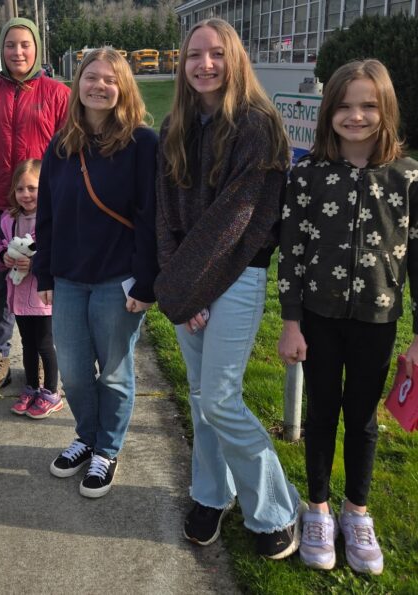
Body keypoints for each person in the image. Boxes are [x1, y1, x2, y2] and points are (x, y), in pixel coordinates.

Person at [154, 18, 303, 558]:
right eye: (195, 54)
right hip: (189, 282)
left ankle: (275, 507)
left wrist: (187, 288)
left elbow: (236, 221)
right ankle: (211, 494)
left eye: (216, 53)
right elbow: (164, 216)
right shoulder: (176, 125)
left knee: (219, 399)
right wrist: (180, 283)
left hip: (237, 275)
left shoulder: (258, 126)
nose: (205, 64)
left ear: (234, 58)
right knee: (200, 398)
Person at [278, 59, 417, 575]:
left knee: (361, 420)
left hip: (377, 321)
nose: (355, 116)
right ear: (328, 111)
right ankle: (317, 507)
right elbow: (290, 253)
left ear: (385, 111)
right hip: (317, 318)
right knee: (321, 413)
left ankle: (356, 512)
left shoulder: (407, 176)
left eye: (368, 106)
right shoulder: (307, 174)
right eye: (344, 105)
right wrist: (290, 322)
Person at [34, 48, 158, 498]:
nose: (100, 85)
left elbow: (150, 217)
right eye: (91, 77)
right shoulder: (62, 144)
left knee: (114, 373)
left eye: (110, 78)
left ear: (123, 87)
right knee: (75, 371)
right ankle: (86, 436)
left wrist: (146, 282)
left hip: (117, 280)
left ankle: (107, 449)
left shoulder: (143, 144)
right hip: (68, 277)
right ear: (77, 84)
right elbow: (46, 214)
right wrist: (44, 274)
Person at [0, 17, 70, 402]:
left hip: (48, 212)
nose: (18, 52)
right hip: (0, 211)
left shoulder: (57, 94)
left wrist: (67, 208)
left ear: (36, 48)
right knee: (0, 286)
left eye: (25, 44)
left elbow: (70, 155)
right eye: (10, 45)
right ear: (2, 51)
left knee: (47, 287)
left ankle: (48, 362)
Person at [0, 159, 62, 418]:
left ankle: (51, 392)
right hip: (18, 294)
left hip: (42, 295)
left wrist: (35, 263)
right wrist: (2, 257)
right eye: (20, 189)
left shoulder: (50, 218)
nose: (26, 194)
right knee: (27, 343)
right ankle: (31, 388)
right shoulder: (9, 218)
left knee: (44, 343)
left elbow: (58, 253)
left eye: (32, 188)